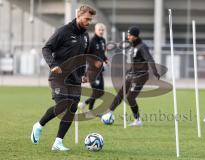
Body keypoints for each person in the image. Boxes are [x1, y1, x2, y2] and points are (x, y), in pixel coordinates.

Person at [30, 5, 96, 151]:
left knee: (72, 109)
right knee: (63, 105)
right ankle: (39, 125)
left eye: (90, 19)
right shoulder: (63, 31)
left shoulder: (85, 36)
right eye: (86, 19)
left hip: (75, 79)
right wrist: (52, 65)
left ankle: (58, 143)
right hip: (58, 76)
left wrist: (83, 74)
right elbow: (46, 48)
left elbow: (82, 57)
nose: (88, 22)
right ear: (78, 16)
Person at [102, 26, 160, 127]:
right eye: (128, 34)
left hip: (141, 76)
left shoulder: (142, 47)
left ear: (135, 36)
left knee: (130, 98)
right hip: (132, 74)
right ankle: (108, 113)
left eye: (130, 35)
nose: (128, 36)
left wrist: (155, 71)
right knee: (120, 93)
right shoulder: (132, 45)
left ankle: (138, 120)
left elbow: (149, 58)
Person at [79, 23, 109, 111]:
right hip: (92, 71)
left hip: (100, 70)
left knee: (101, 92)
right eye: (99, 30)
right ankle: (90, 109)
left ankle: (85, 104)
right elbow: (87, 55)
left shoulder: (103, 40)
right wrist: (94, 62)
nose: (101, 31)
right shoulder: (92, 41)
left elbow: (102, 53)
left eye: (102, 30)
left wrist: (105, 59)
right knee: (96, 91)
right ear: (95, 30)